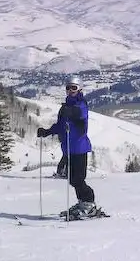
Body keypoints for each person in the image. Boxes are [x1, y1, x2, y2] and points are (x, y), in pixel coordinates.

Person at [37, 75, 100, 219]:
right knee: (72, 178)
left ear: (80, 89)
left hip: (79, 148)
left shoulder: (81, 104)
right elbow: (59, 126)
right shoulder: (64, 107)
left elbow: (81, 115)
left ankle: (89, 204)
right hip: (68, 149)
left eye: (74, 87)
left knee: (78, 178)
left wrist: (71, 113)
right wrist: (46, 132)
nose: (71, 90)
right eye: (68, 88)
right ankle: (83, 202)